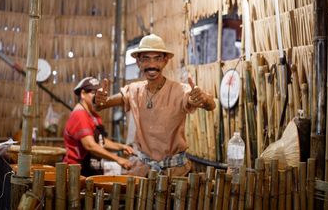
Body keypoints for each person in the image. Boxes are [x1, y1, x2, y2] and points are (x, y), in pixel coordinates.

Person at [94, 33, 216, 177]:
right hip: (141, 171)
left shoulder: (180, 91)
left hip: (175, 172)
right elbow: (102, 105)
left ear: (165, 61)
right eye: (146, 59)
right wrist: (100, 100)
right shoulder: (134, 90)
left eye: (157, 58)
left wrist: (203, 98)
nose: (152, 65)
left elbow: (211, 105)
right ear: (138, 62)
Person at [63, 77, 134, 176]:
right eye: (93, 92)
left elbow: (100, 141)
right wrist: (118, 159)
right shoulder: (79, 114)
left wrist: (120, 146)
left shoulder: (93, 115)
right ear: (83, 94)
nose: (96, 97)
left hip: (92, 170)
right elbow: (90, 145)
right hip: (77, 173)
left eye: (98, 93)